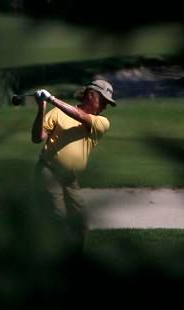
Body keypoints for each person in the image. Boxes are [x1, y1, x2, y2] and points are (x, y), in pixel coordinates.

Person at [31, 80, 116, 250]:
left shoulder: (102, 122)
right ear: (91, 95)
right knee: (59, 218)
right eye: (103, 101)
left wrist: (51, 98)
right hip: (48, 171)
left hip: (70, 178)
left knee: (81, 223)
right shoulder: (56, 113)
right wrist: (42, 109)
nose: (105, 106)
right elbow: (37, 138)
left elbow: (80, 116)